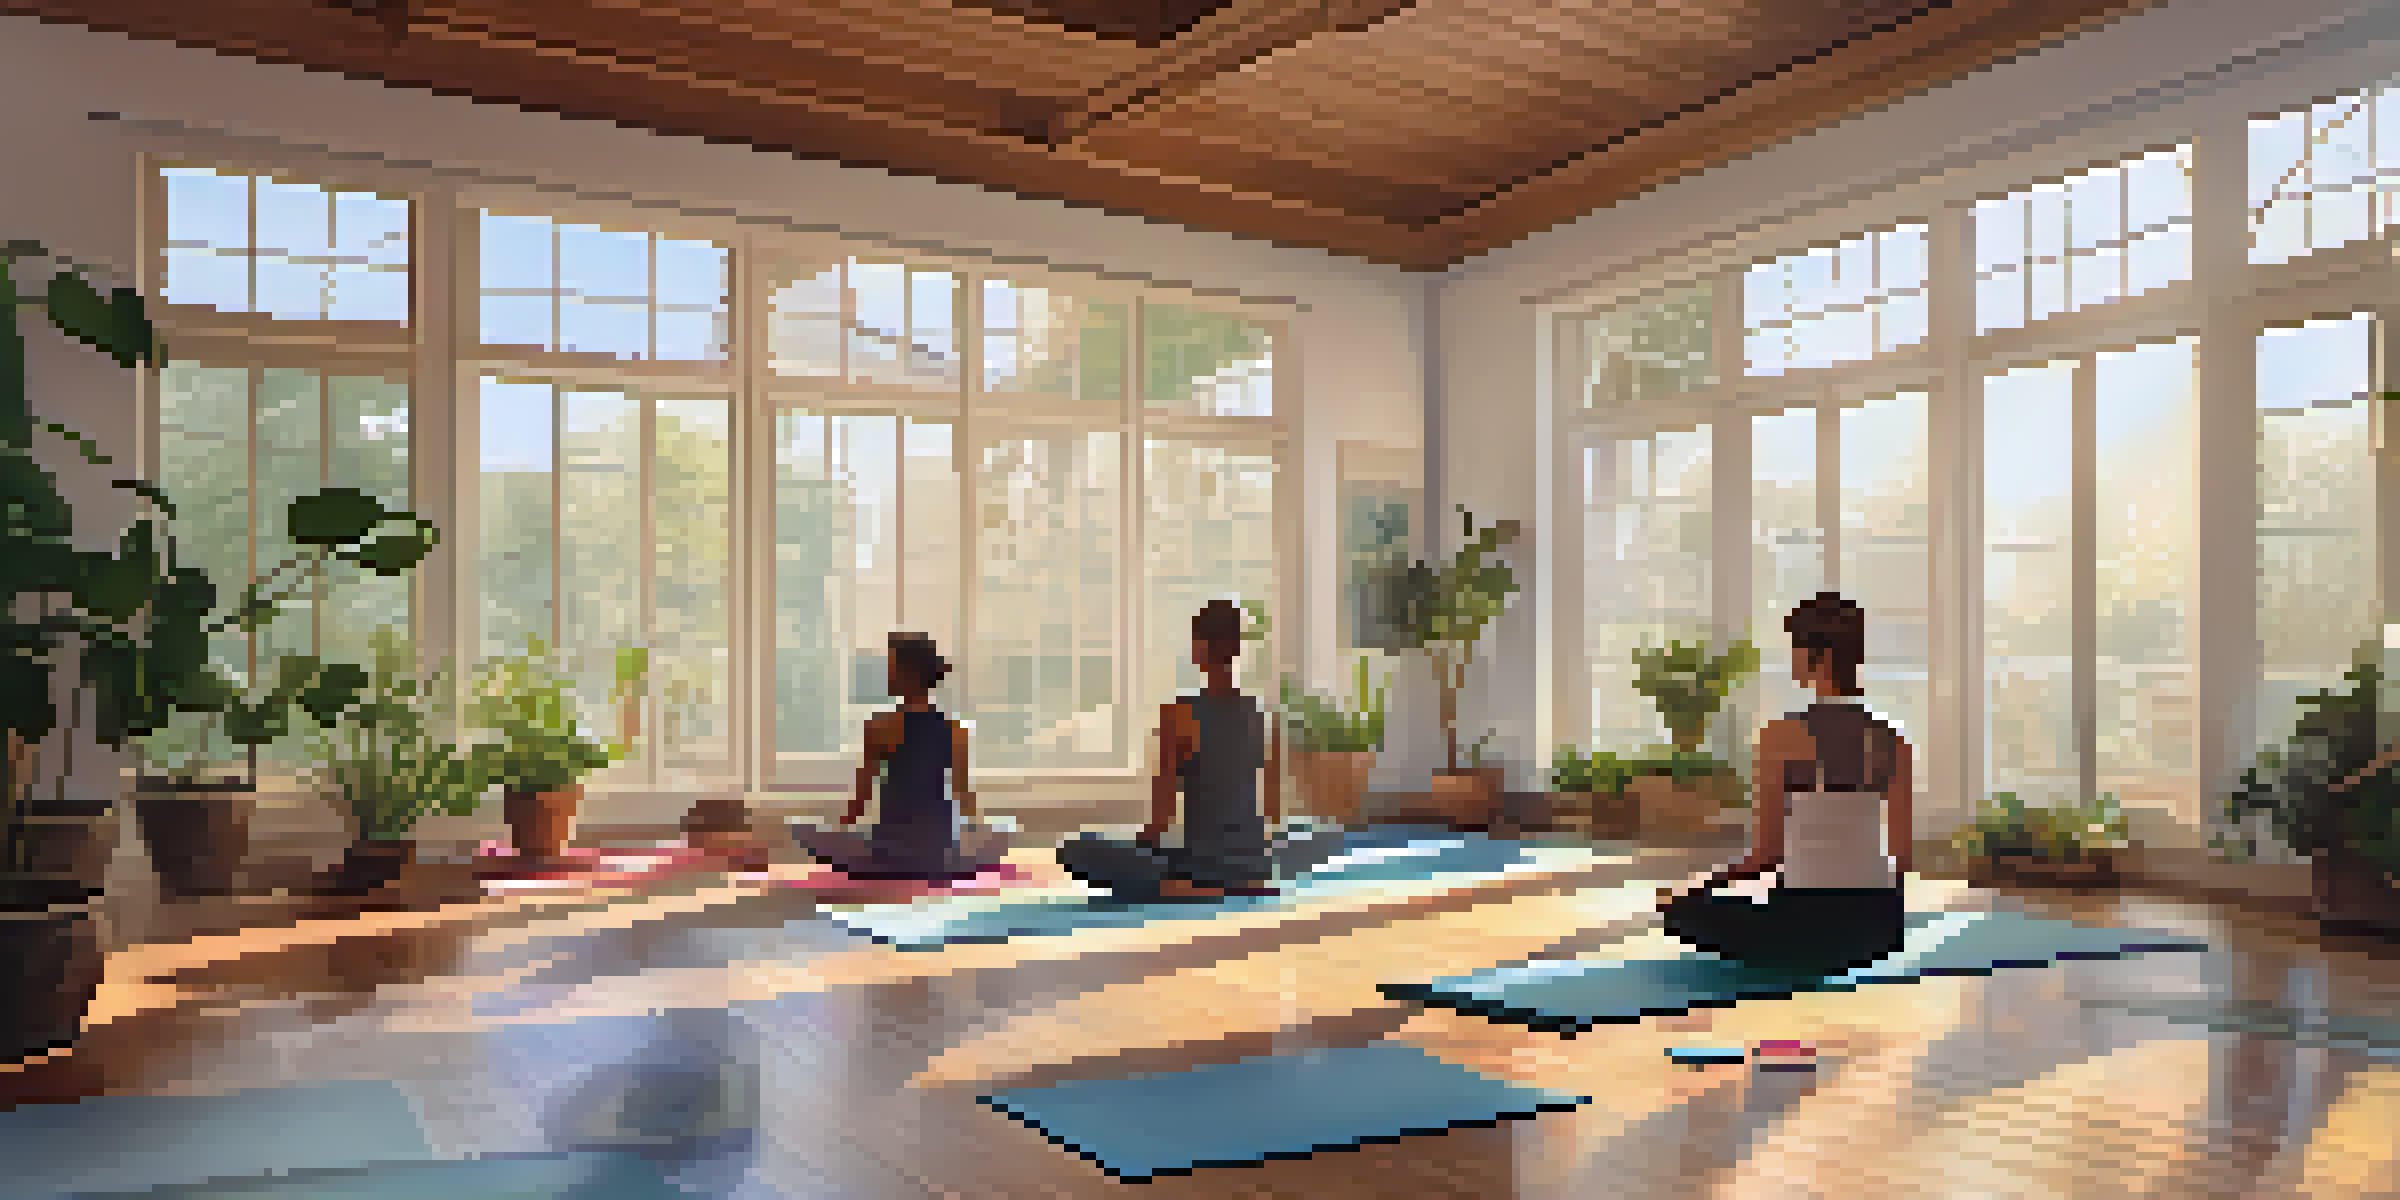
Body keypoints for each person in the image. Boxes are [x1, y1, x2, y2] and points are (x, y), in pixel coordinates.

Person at [1656, 592, 1913, 977]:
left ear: (1820, 658)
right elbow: (1902, 857)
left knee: (1678, 912)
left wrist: (1699, 885)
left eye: (1796, 648)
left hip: (1804, 925)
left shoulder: (1782, 736)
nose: (1791, 659)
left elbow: (1767, 854)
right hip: (1880, 930)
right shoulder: (1893, 740)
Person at [1059, 599, 1285, 902]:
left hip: (1201, 867)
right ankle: (1228, 882)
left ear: (1201, 649)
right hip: (1256, 865)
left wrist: (1141, 848)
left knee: (1076, 848)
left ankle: (1185, 888)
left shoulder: (1180, 714)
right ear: (1238, 649)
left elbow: (1161, 818)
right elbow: (1270, 810)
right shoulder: (1264, 715)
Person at [792, 633, 1009, 882]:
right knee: (1001, 829)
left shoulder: (878, 727)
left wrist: (836, 833)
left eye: (891, 667)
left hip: (892, 849)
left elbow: (860, 803)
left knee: (804, 828)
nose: (886, 674)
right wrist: (975, 836)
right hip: (939, 847)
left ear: (907, 675)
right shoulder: (956, 731)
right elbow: (963, 795)